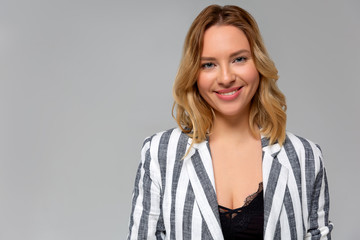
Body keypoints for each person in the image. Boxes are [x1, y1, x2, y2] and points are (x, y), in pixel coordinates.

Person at [127, 4, 333, 240]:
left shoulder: (305, 157)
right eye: (209, 64)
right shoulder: (159, 153)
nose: (226, 78)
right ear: (194, 74)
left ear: (258, 63)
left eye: (239, 59)